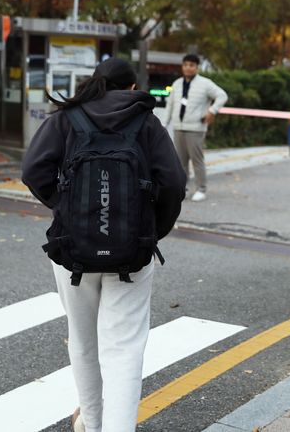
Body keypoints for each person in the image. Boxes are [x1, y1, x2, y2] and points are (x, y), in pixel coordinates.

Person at [22, 57, 187, 432]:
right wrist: (149, 229)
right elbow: (174, 183)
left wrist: (67, 209)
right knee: (124, 349)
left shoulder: (67, 118)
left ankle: (90, 424)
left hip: (71, 250)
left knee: (83, 342)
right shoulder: (146, 121)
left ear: (95, 82)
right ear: (132, 87)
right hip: (132, 252)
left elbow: (33, 171)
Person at [164, 54, 228, 202]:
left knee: (197, 160)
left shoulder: (205, 83)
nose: (188, 67)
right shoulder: (177, 84)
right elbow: (170, 105)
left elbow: (222, 95)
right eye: (185, 64)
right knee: (180, 162)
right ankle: (183, 188)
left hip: (196, 128)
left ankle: (201, 189)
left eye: (191, 65)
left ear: (197, 67)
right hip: (179, 127)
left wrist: (212, 111)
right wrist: (164, 123)